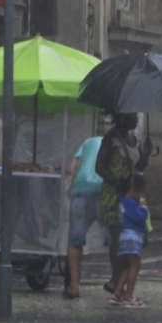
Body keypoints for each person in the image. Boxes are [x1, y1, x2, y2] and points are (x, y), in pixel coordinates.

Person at [95, 114, 151, 295]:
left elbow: (139, 167)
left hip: (131, 197)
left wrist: (146, 153)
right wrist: (116, 181)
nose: (136, 118)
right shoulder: (110, 139)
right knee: (119, 241)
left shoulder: (134, 139)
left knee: (135, 240)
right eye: (132, 115)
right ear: (121, 118)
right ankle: (117, 280)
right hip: (114, 198)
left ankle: (116, 281)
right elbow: (99, 167)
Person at [64, 135, 102, 299]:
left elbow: (70, 168)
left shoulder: (87, 141)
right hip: (104, 189)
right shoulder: (119, 143)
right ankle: (118, 287)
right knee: (116, 239)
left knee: (75, 240)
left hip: (81, 189)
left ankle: (74, 286)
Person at [109, 175, 149, 308]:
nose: (142, 195)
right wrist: (144, 208)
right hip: (133, 237)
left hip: (126, 236)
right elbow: (139, 217)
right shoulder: (129, 202)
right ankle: (128, 296)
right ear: (133, 190)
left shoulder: (123, 201)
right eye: (141, 191)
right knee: (134, 267)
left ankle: (117, 293)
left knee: (127, 267)